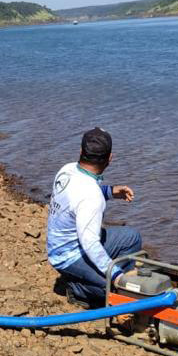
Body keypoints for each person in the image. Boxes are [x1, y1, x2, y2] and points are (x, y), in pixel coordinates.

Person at [46, 128, 140, 308]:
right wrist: (116, 276)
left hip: (57, 245)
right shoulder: (91, 196)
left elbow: (80, 198)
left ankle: (125, 288)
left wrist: (111, 191)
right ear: (110, 158)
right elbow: (90, 242)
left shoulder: (67, 169)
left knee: (131, 237)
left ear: (81, 152)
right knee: (112, 291)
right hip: (68, 255)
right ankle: (78, 289)